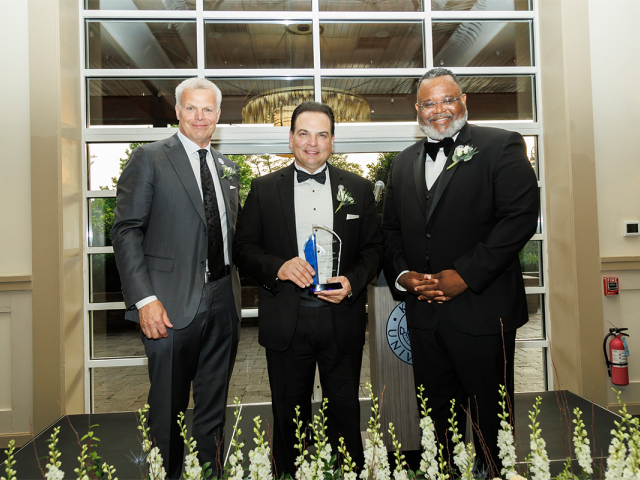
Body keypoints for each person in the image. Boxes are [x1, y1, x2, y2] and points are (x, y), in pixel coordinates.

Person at [381, 68, 539, 474]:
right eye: (429, 103)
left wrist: (463, 276)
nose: (439, 111)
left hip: (483, 312)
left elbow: (519, 219)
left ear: (464, 100)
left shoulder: (501, 145)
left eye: (447, 100)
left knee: (491, 418)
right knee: (435, 418)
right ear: (417, 110)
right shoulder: (402, 163)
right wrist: (404, 277)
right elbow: (391, 231)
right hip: (424, 316)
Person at [233, 101, 383, 477]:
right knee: (288, 415)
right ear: (290, 138)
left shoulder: (359, 189)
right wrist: (279, 267)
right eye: (304, 133)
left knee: (346, 413)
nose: (312, 143)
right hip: (287, 319)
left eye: (321, 134)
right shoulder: (264, 189)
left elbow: (374, 249)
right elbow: (243, 249)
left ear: (333, 140)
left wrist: (352, 283)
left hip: (341, 317)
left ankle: (346, 473)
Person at [112, 77, 242, 479]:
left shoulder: (226, 168)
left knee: (212, 406)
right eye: (191, 108)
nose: (200, 117)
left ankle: (210, 472)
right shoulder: (149, 158)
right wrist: (144, 298)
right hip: (166, 304)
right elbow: (126, 230)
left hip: (223, 300)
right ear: (178, 111)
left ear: (218, 116)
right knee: (167, 407)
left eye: (208, 110)